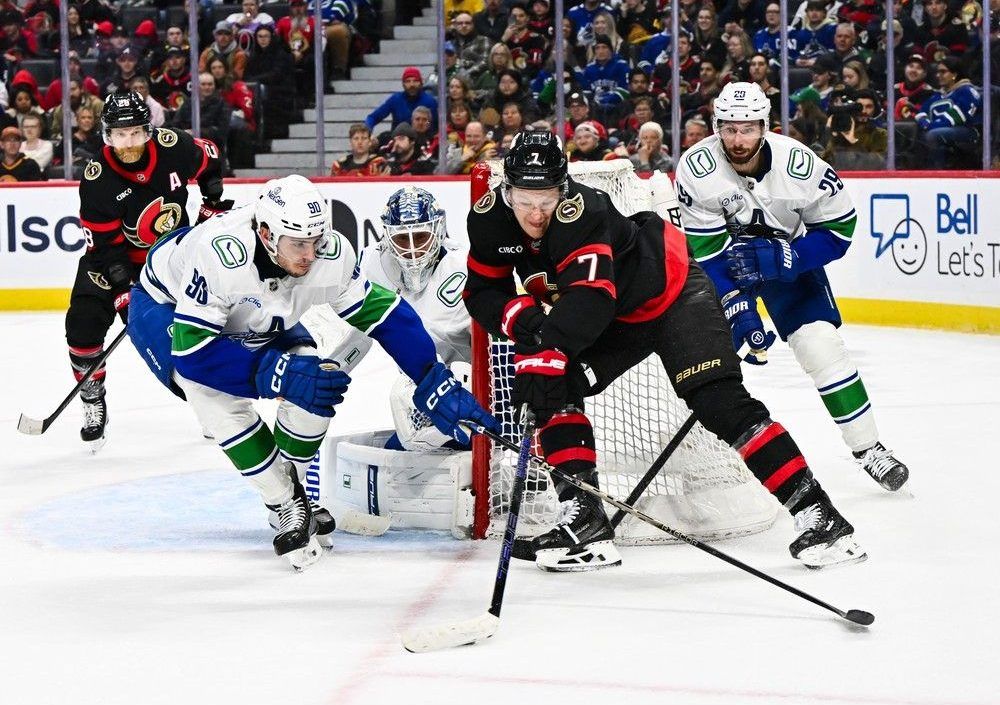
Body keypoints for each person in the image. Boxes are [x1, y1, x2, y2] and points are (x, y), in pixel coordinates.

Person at [465, 130, 867, 571]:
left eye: (546, 199)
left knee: (719, 403)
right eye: (524, 200)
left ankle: (820, 516)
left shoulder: (585, 210)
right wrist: (522, 321)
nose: (535, 213)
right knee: (554, 387)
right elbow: (482, 290)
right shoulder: (489, 218)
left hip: (674, 296)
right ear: (507, 191)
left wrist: (547, 350)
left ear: (564, 189)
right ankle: (585, 523)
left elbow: (590, 298)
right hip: (617, 317)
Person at [126, 176, 495, 569]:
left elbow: (384, 316)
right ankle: (283, 502)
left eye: (316, 241)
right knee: (215, 401)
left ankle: (295, 491)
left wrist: (430, 377)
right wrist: (278, 374)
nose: (310, 255)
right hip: (167, 306)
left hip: (255, 308)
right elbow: (193, 353)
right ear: (266, 235)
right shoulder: (219, 255)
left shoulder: (328, 253)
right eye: (298, 244)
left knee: (317, 383)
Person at [674, 82, 909, 495]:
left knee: (821, 346)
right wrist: (737, 304)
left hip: (790, 261)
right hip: (726, 266)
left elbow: (840, 229)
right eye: (729, 129)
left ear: (765, 127)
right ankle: (701, 449)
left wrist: (791, 259)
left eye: (748, 129)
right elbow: (708, 250)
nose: (738, 140)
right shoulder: (697, 168)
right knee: (702, 358)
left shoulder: (800, 165)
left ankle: (869, 448)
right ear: (716, 127)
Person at [66, 92, 230, 452]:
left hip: (172, 257)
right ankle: (92, 395)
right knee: (82, 324)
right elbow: (105, 247)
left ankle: (212, 405)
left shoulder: (173, 147)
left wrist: (212, 203)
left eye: (135, 133)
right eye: (120, 134)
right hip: (114, 261)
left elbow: (211, 158)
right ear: (108, 135)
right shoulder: (97, 179)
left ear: (148, 130)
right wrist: (124, 291)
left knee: (194, 330)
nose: (128, 142)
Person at [331, 186, 476, 451]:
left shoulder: (464, 266)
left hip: (473, 387)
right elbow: (364, 329)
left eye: (420, 237)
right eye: (402, 239)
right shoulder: (372, 264)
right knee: (404, 406)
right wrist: (334, 369)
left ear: (438, 231)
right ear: (387, 236)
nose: (412, 250)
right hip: (420, 384)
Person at [915, 56, 982, 169]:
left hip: (967, 131)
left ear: (954, 74)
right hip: (937, 129)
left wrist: (930, 125)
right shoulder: (937, 95)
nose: (938, 75)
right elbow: (922, 112)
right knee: (915, 133)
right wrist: (925, 123)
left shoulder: (967, 91)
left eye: (943, 72)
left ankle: (938, 171)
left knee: (933, 134)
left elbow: (958, 116)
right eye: (938, 72)